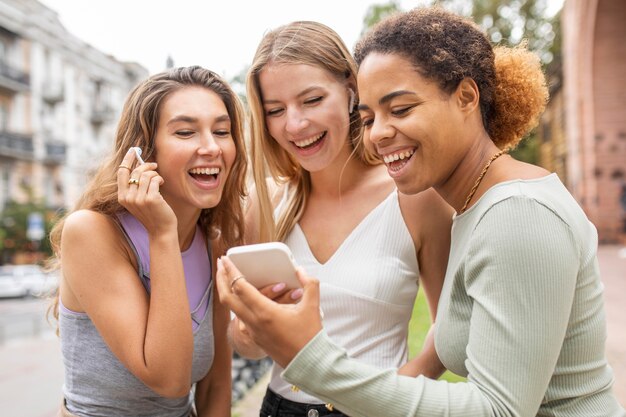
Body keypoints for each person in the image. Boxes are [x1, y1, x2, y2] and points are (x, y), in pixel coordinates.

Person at [217, 8, 626, 417]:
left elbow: (498, 409)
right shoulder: (475, 207)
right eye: (371, 117)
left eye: (401, 109)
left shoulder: (519, 211)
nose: (378, 133)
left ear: (466, 97)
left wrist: (315, 360)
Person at [231, 20, 453, 416]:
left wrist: (391, 396)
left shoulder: (414, 197)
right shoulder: (265, 205)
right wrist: (250, 328)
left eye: (312, 100)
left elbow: (449, 325)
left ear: (351, 92)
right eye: (275, 110)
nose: (295, 125)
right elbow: (243, 344)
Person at [48, 66, 247, 417]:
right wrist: (162, 233)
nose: (211, 147)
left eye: (222, 131)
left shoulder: (215, 245)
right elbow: (169, 378)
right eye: (186, 132)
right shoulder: (91, 232)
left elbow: (215, 386)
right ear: (142, 152)